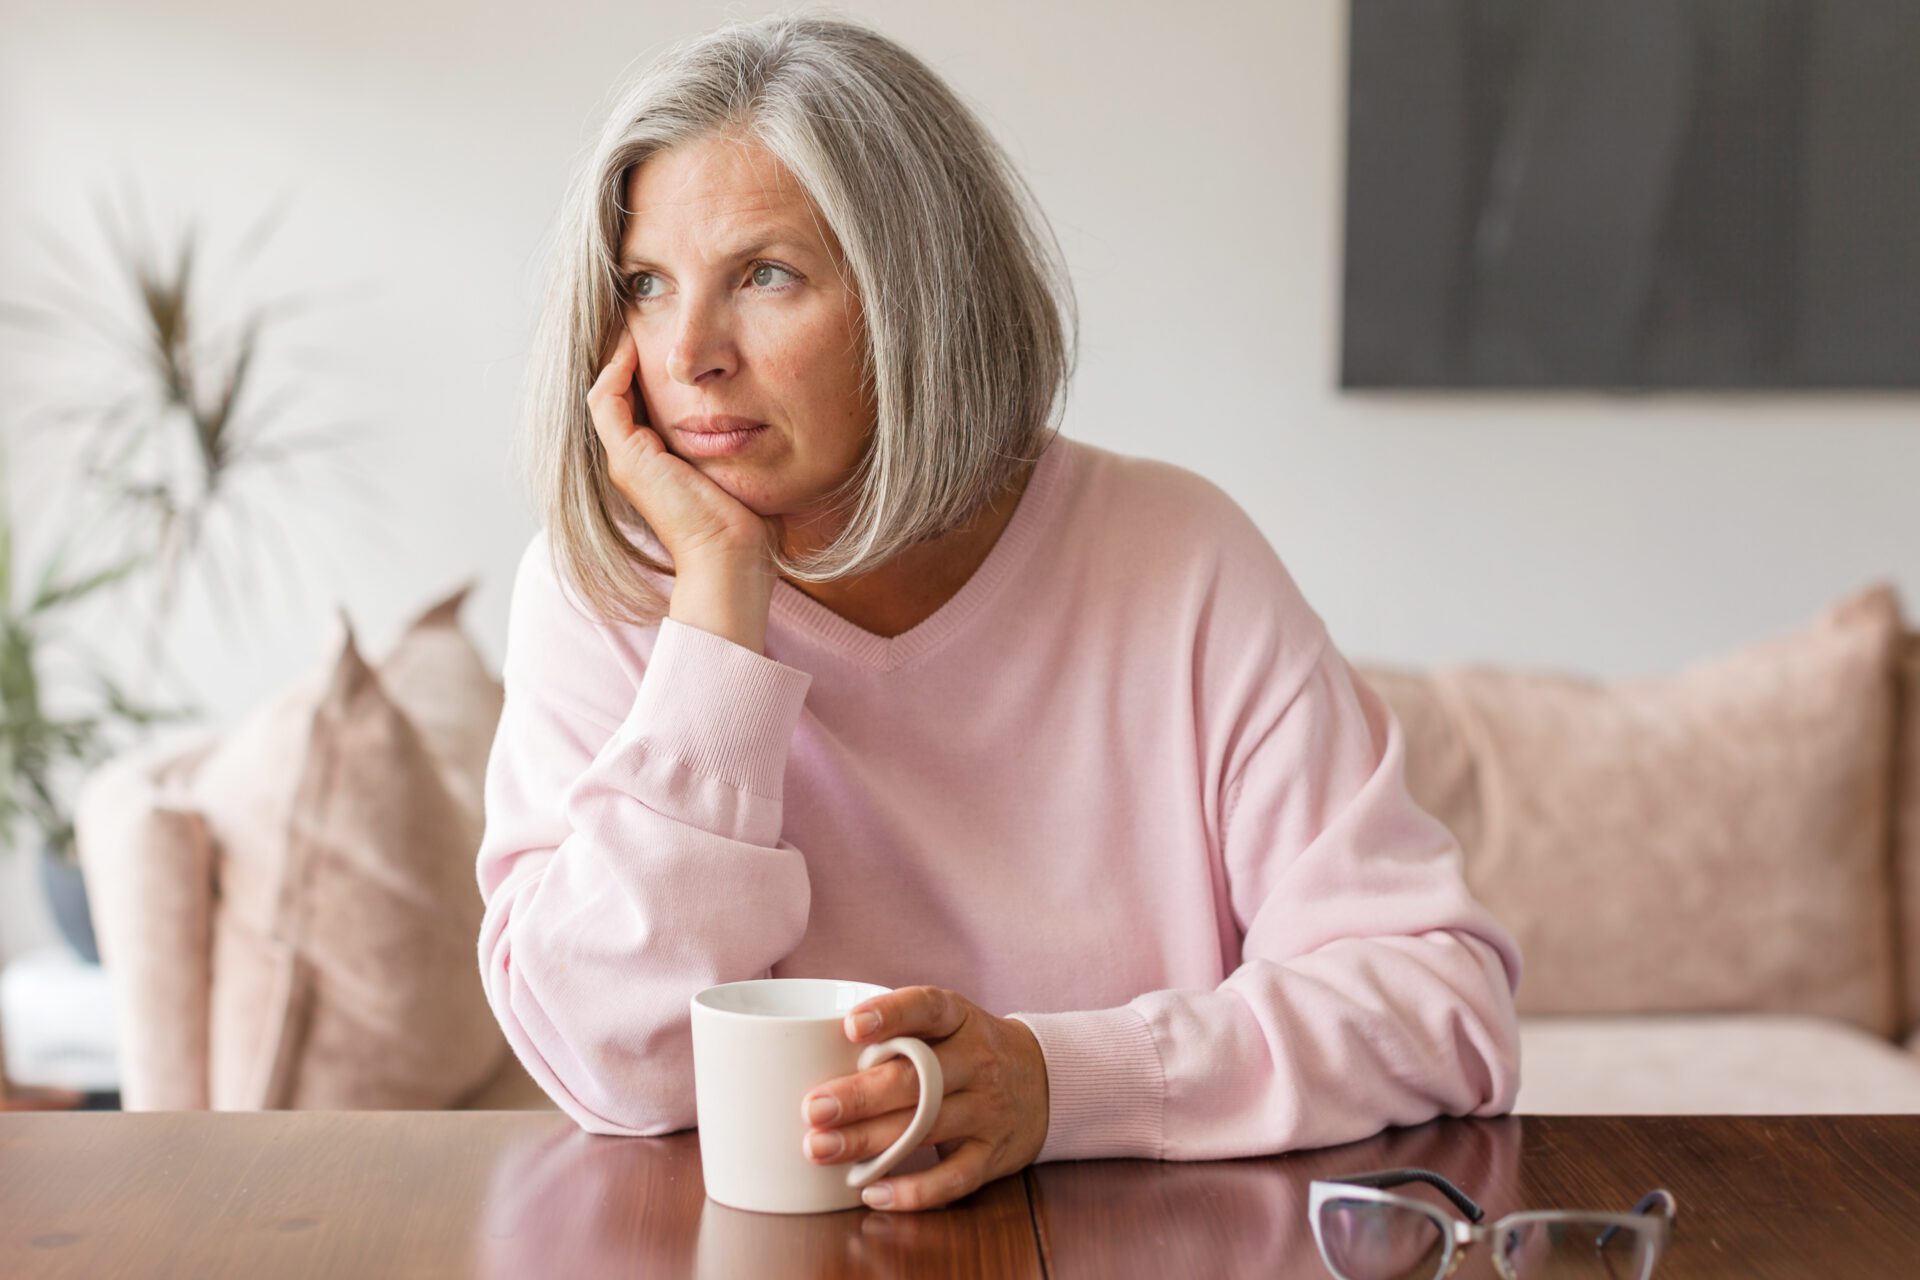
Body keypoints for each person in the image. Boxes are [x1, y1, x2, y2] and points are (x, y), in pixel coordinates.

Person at [477, 12, 1523, 1214]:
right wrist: (715, 619)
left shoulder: (1176, 558)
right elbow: (617, 1064)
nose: (692, 352)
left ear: (919, 299)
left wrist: (1060, 1080)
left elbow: (1442, 1003)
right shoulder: (601, 589)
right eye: (648, 286)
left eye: (766, 274)